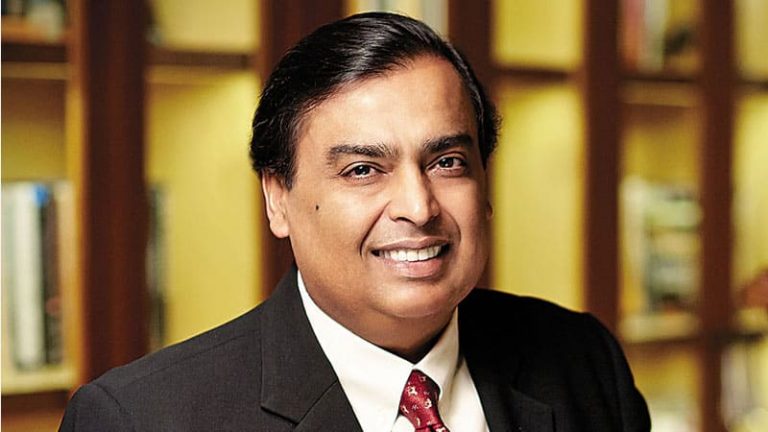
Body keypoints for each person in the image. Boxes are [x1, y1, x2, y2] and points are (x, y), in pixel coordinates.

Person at [60, 12, 650, 431]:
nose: (418, 207)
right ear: (278, 199)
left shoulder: (581, 360)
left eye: (447, 162)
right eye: (363, 170)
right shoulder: (143, 418)